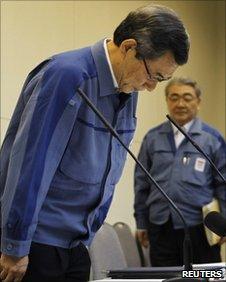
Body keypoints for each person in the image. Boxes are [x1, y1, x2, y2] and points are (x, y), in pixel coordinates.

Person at [0, 5, 189, 282]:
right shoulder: (67, 75)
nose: (151, 87)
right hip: (37, 244)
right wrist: (15, 244)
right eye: (154, 76)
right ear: (128, 47)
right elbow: (31, 163)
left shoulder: (128, 86)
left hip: (79, 243)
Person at [134, 77, 226, 266]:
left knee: (203, 277)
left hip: (200, 228)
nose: (180, 103)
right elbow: (141, 183)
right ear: (167, 101)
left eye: (187, 97)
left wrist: (223, 225)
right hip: (160, 226)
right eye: (174, 97)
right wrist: (141, 222)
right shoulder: (152, 138)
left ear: (198, 102)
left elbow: (223, 185)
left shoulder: (212, 138)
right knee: (165, 277)